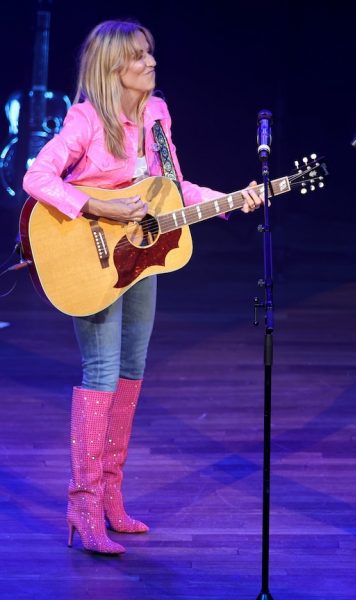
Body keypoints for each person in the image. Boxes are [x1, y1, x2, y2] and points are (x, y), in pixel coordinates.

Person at [22, 20, 263, 555]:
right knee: (102, 372)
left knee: (131, 372)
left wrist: (231, 197)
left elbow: (172, 190)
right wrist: (100, 204)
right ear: (113, 69)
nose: (151, 62)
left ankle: (111, 499)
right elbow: (37, 178)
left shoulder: (157, 115)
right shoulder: (86, 120)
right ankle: (82, 507)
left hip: (140, 259)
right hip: (91, 258)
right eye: (138, 57)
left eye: (151, 53)